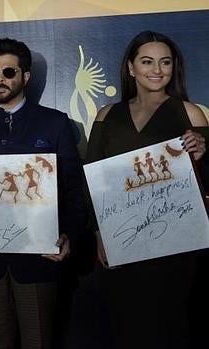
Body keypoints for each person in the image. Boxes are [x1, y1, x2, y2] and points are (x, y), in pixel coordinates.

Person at [0, 38, 85, 349]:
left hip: (39, 259)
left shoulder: (55, 123)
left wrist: (69, 235)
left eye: (8, 72)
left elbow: (74, 189)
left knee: (39, 341)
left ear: (25, 76)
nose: (0, 80)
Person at [86, 30, 207, 349]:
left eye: (165, 62)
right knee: (127, 326)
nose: (157, 69)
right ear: (131, 67)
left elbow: (205, 181)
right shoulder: (106, 116)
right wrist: (99, 234)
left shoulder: (190, 113)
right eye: (147, 61)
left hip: (176, 246)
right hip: (122, 243)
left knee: (172, 327)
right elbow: (94, 183)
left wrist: (203, 154)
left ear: (173, 68)